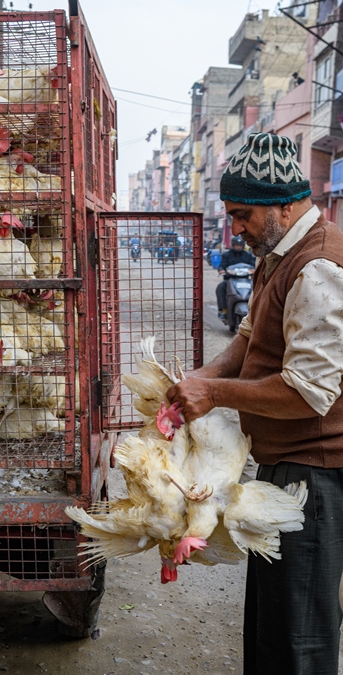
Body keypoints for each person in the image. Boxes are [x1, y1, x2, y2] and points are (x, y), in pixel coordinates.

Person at [167, 132, 343, 675]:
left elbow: (307, 392)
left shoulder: (317, 266)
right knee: (271, 625)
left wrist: (216, 393)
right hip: (285, 467)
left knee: (300, 638)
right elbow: (249, 338)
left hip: (315, 475)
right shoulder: (278, 254)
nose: (235, 228)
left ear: (285, 204)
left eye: (242, 214)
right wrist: (203, 375)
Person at [216, 235, 255, 320]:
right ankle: (224, 310)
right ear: (233, 245)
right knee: (221, 287)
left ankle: (256, 310)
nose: (238, 247)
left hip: (246, 281)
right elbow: (222, 265)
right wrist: (221, 270)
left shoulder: (248, 255)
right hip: (231, 280)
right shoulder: (227, 255)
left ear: (243, 245)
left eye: (240, 245)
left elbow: (253, 265)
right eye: (236, 245)